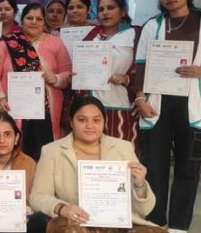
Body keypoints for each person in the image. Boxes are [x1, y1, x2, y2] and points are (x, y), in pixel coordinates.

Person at [134, 0, 201, 232]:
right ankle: (153, 222)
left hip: (192, 105)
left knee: (188, 169)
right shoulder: (153, 25)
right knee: (154, 167)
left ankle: (178, 226)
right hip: (157, 105)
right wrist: (140, 98)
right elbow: (140, 65)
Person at [30, 96, 163, 233]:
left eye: (96, 120)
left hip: (119, 224)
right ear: (71, 122)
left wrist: (139, 184)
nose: (90, 126)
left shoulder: (123, 148)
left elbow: (145, 209)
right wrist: (62, 208)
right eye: (82, 120)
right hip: (76, 222)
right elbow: (37, 197)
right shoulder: (52, 151)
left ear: (104, 122)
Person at [0, 3, 72, 161]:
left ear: (44, 22)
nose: (34, 21)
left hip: (46, 109)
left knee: (43, 152)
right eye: (29, 18)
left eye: (39, 18)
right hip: (12, 106)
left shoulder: (56, 43)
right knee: (13, 147)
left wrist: (56, 78)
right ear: (22, 20)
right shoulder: (8, 42)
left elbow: (68, 73)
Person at [77, 0, 141, 150]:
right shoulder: (91, 36)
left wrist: (127, 78)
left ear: (123, 11)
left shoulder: (134, 33)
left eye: (111, 8)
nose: (105, 12)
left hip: (123, 105)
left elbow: (144, 66)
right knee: (91, 153)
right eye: (101, 9)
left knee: (122, 153)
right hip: (93, 107)